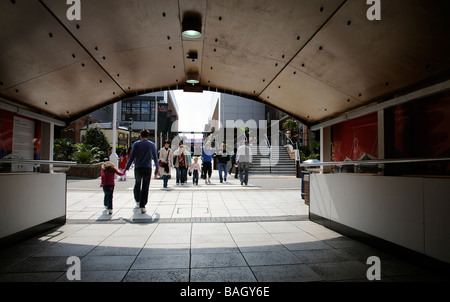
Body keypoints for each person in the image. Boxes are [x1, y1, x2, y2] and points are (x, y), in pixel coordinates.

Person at [125, 129, 159, 213]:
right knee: (145, 186)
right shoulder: (152, 145)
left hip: (138, 167)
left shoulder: (136, 144)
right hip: (147, 167)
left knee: (137, 184)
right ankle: (143, 205)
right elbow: (155, 157)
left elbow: (132, 156)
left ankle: (137, 200)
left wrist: (127, 167)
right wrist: (157, 168)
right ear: (147, 135)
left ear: (140, 135)